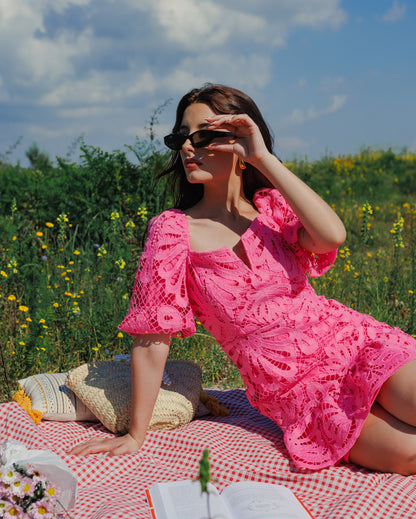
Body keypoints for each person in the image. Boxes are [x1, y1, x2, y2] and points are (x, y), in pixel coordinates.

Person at [71, 84, 416, 475]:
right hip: (299, 391)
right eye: (181, 137)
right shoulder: (172, 230)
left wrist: (264, 159)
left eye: (202, 135)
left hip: (355, 344)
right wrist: (136, 435)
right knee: (408, 454)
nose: (187, 147)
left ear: (241, 143)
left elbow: (331, 236)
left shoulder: (271, 208)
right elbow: (152, 340)